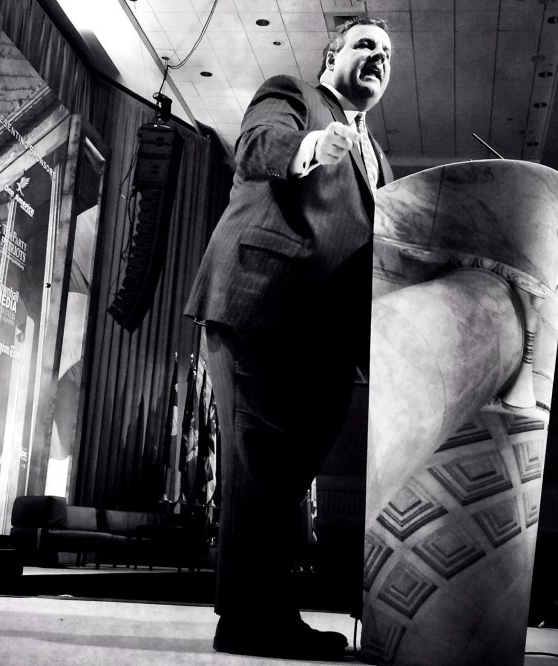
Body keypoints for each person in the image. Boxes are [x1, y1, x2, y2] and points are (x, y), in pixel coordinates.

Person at [183, 16, 394, 661]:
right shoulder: (295, 96)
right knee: (260, 469)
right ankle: (248, 619)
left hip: (328, 339)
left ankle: (269, 609)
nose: (377, 57)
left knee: (287, 477)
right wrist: (307, 149)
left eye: (386, 53)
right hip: (260, 302)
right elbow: (258, 145)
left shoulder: (378, 158)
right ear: (332, 56)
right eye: (364, 44)